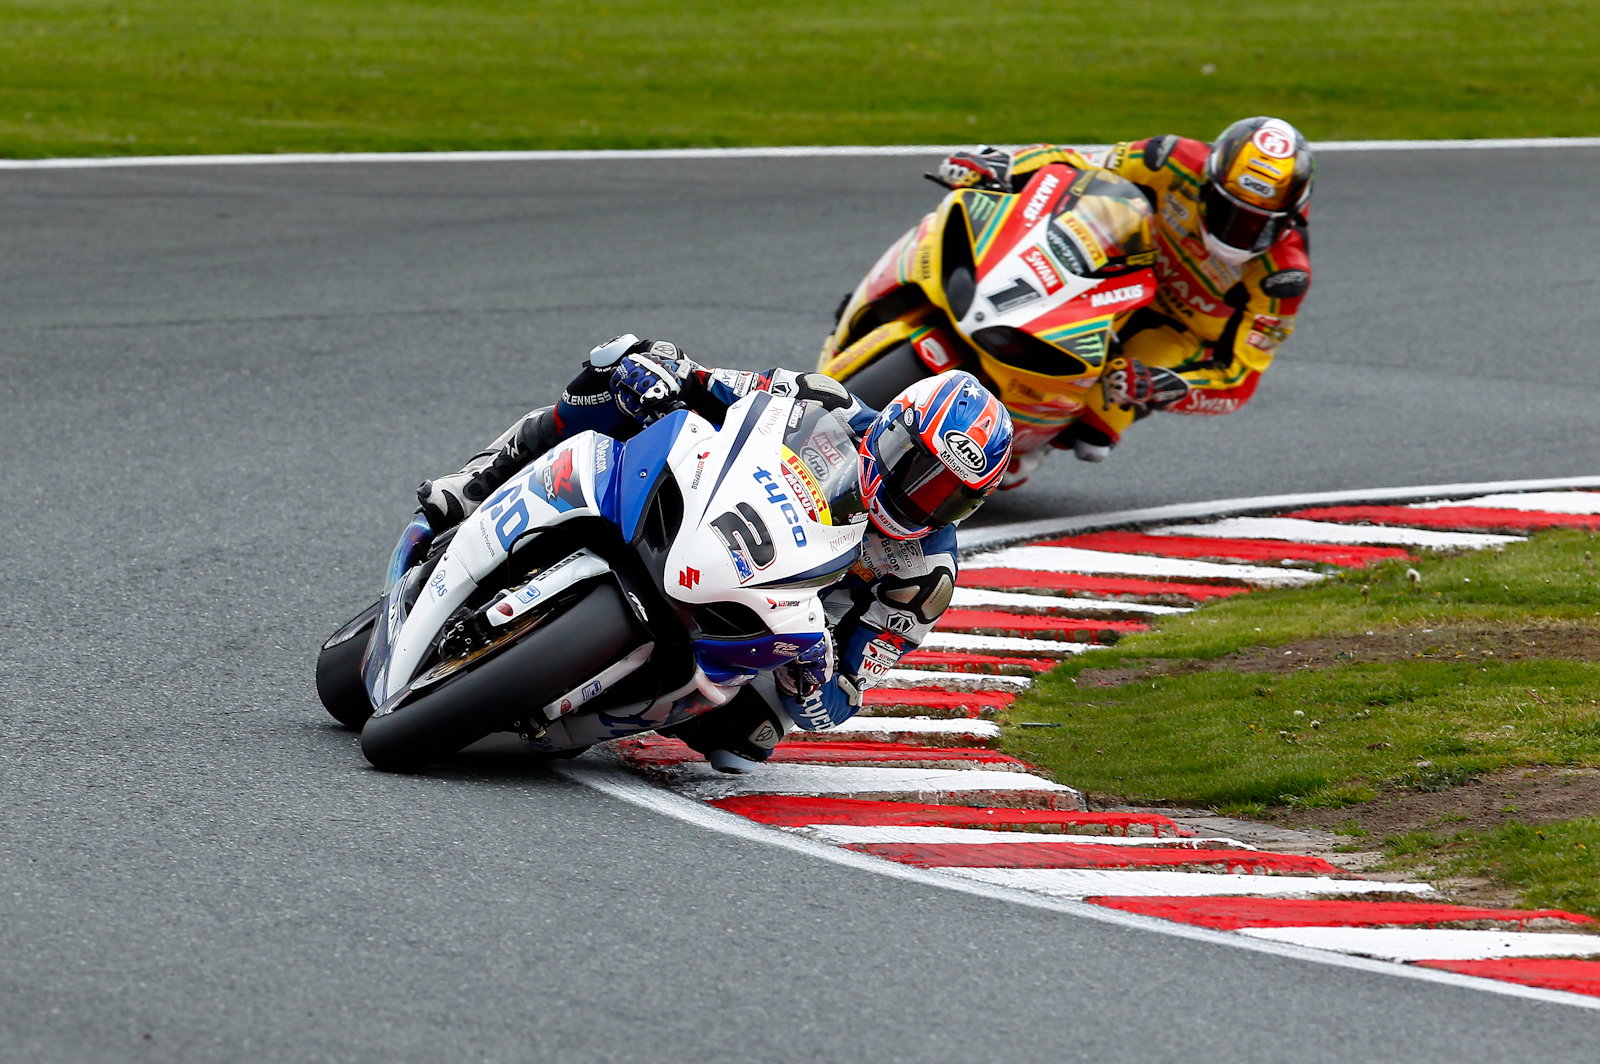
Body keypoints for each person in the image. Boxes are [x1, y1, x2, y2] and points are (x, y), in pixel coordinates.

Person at [416, 335, 1014, 773]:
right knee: (618, 388)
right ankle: (478, 482)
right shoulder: (821, 399)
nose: (921, 500)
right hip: (708, 520)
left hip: (762, 624)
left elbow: (843, 697)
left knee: (746, 739)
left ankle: (569, 709)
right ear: (893, 430)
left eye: (948, 498)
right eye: (919, 472)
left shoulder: (924, 576)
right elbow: (708, 384)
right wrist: (663, 367)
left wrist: (813, 683)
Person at [932, 117, 1314, 476]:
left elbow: (1238, 379)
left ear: (1289, 218)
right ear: (1207, 182)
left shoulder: (1282, 277)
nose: (1238, 231)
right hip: (1120, 265)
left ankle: (1012, 458)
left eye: (1257, 224)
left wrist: (1167, 385)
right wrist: (1005, 164)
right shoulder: (1170, 159)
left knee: (1094, 431)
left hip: (1173, 330)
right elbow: (1079, 162)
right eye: (1227, 210)